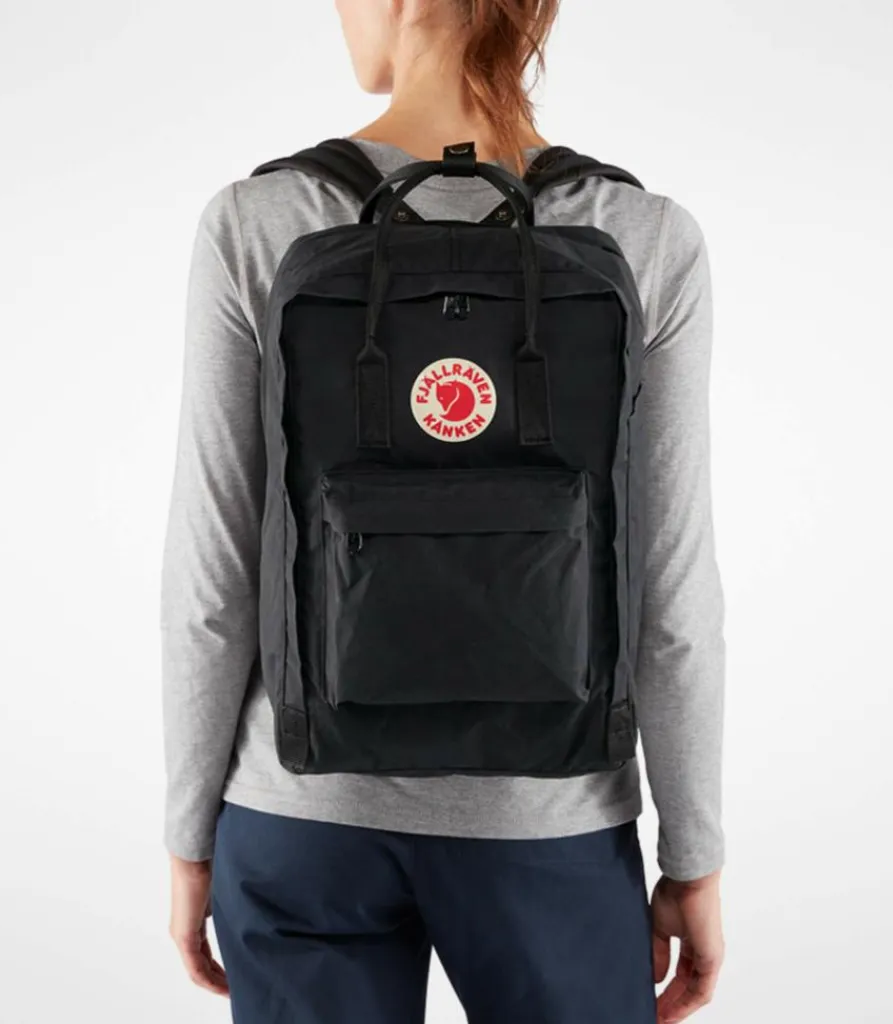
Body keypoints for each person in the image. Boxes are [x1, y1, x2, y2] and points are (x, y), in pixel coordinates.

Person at [161, 1, 726, 1021]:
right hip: (550, 828)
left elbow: (212, 580)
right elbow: (673, 598)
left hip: (300, 824)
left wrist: (189, 837)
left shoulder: (257, 221)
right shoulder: (643, 235)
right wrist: (694, 858)